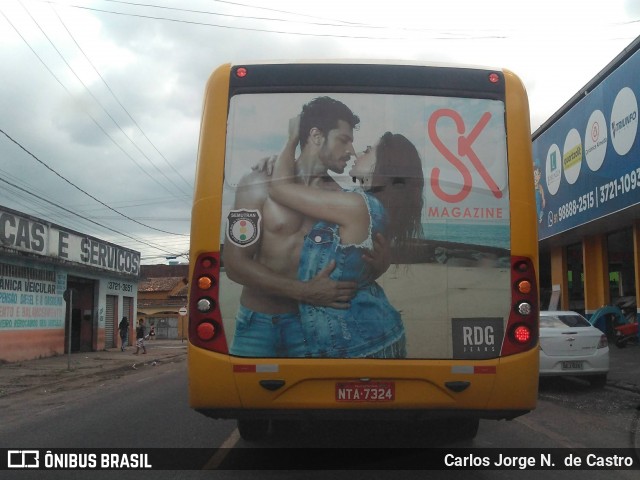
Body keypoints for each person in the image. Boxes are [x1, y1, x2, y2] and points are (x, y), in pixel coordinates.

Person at [224, 96, 389, 357]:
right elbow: (234, 263)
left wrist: (379, 266)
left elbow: (355, 265)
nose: (351, 151)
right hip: (256, 325)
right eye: (343, 140)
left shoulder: (340, 197)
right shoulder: (257, 183)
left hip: (312, 326)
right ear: (316, 135)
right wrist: (305, 291)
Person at [269, 118, 425, 358]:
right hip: (375, 335)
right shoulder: (373, 206)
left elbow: (278, 189)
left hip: (360, 345)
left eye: (370, 149)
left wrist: (291, 140)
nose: (359, 151)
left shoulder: (357, 205)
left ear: (382, 165)